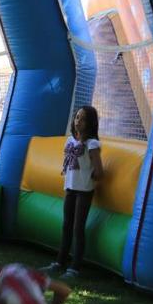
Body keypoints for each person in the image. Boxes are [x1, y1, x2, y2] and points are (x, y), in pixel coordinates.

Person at [41, 105, 104, 279]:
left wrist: (92, 175)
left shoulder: (92, 144)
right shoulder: (70, 141)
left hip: (84, 190)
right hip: (69, 188)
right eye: (77, 117)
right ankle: (60, 262)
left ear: (91, 123)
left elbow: (100, 171)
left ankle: (74, 268)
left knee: (78, 228)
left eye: (83, 119)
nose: (78, 121)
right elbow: (69, 164)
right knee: (66, 225)